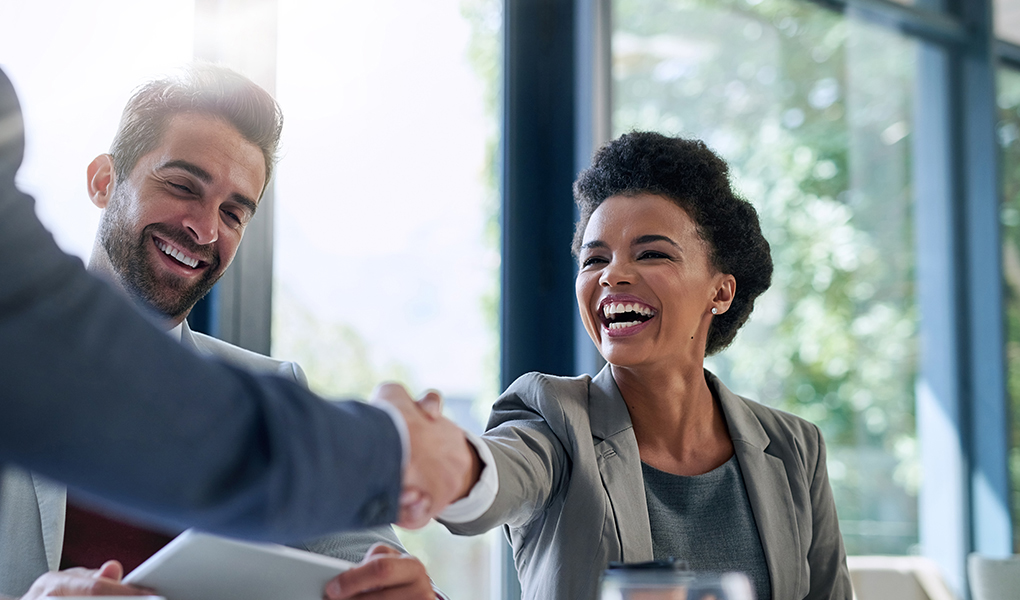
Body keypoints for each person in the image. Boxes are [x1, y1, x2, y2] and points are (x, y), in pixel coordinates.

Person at [0, 62, 478, 583]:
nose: (204, 229)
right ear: (102, 181)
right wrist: (396, 451)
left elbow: (374, 569)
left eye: (233, 213)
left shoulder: (277, 388)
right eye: (183, 185)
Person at [443, 132, 852, 599]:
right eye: (594, 258)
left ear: (720, 291)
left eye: (652, 253)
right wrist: (440, 461)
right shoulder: (553, 419)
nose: (612, 274)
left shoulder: (795, 448)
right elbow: (492, 478)